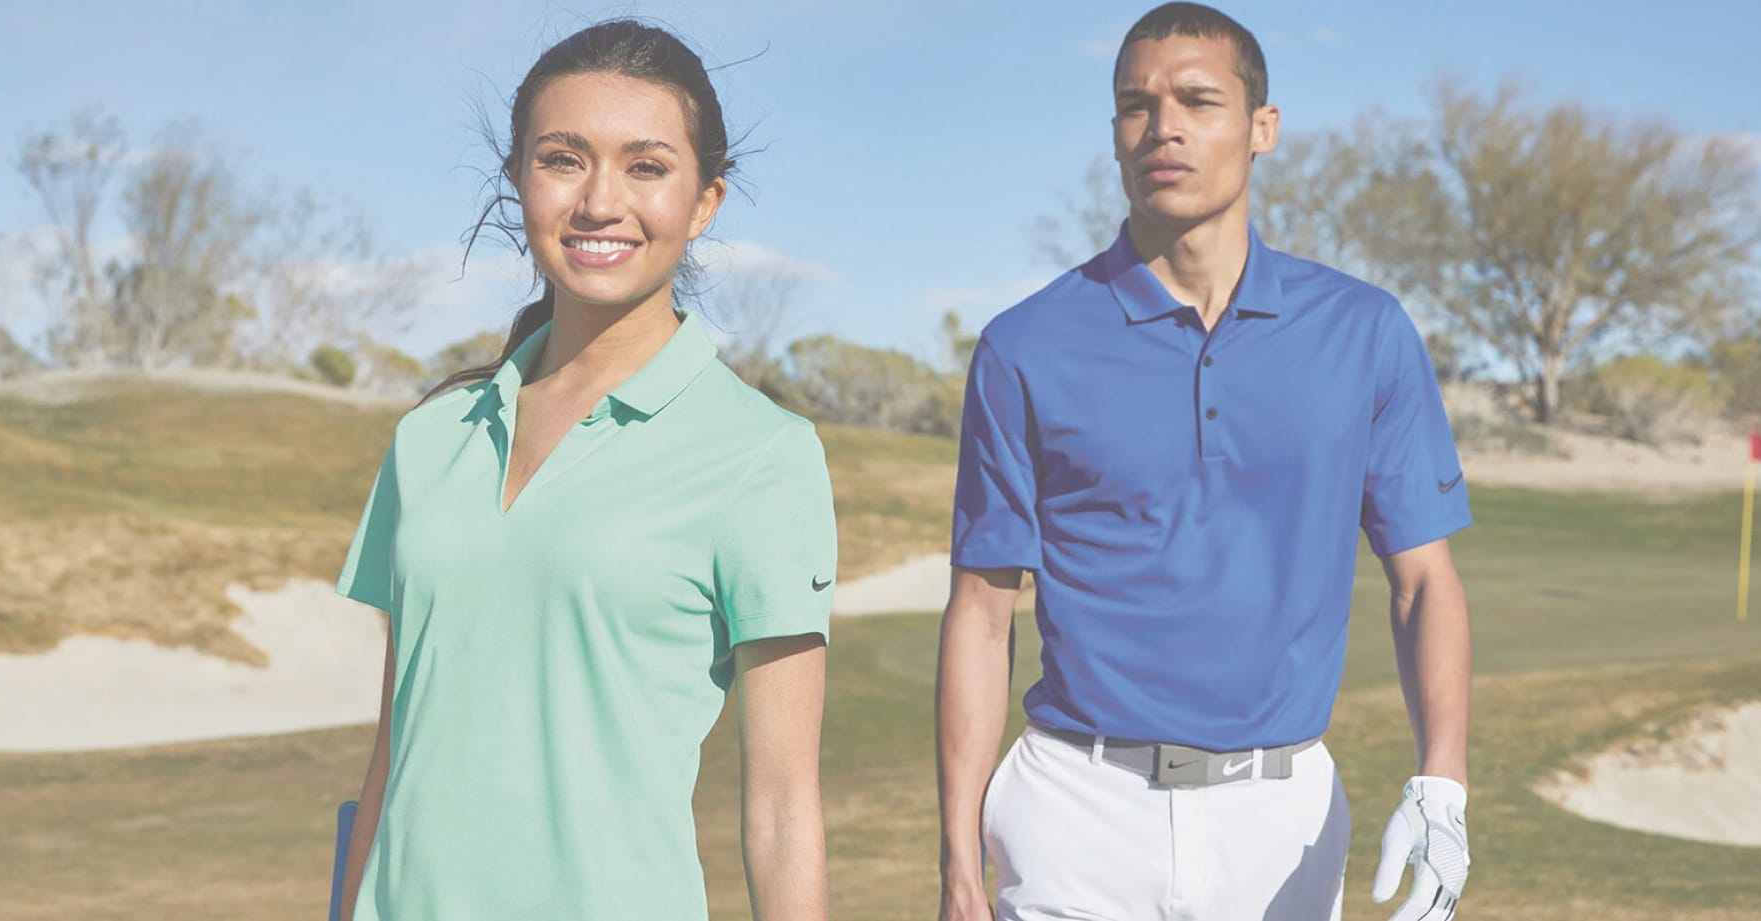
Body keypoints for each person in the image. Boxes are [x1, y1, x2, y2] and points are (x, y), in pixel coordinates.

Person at [935, 4, 1473, 920]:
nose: (1164, 126)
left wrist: (1444, 784)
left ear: (1262, 128)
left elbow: (1423, 581)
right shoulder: (1025, 346)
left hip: (1283, 811)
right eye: (1136, 104)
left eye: (1198, 99)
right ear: (1115, 134)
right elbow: (984, 615)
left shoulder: (1364, 330)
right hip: (1076, 806)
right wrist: (957, 867)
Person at [334, 19, 835, 921]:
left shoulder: (763, 452)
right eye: (564, 159)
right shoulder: (429, 436)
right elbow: (393, 748)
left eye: (646, 166)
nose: (602, 201)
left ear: (706, 200)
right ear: (519, 178)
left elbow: (783, 808)